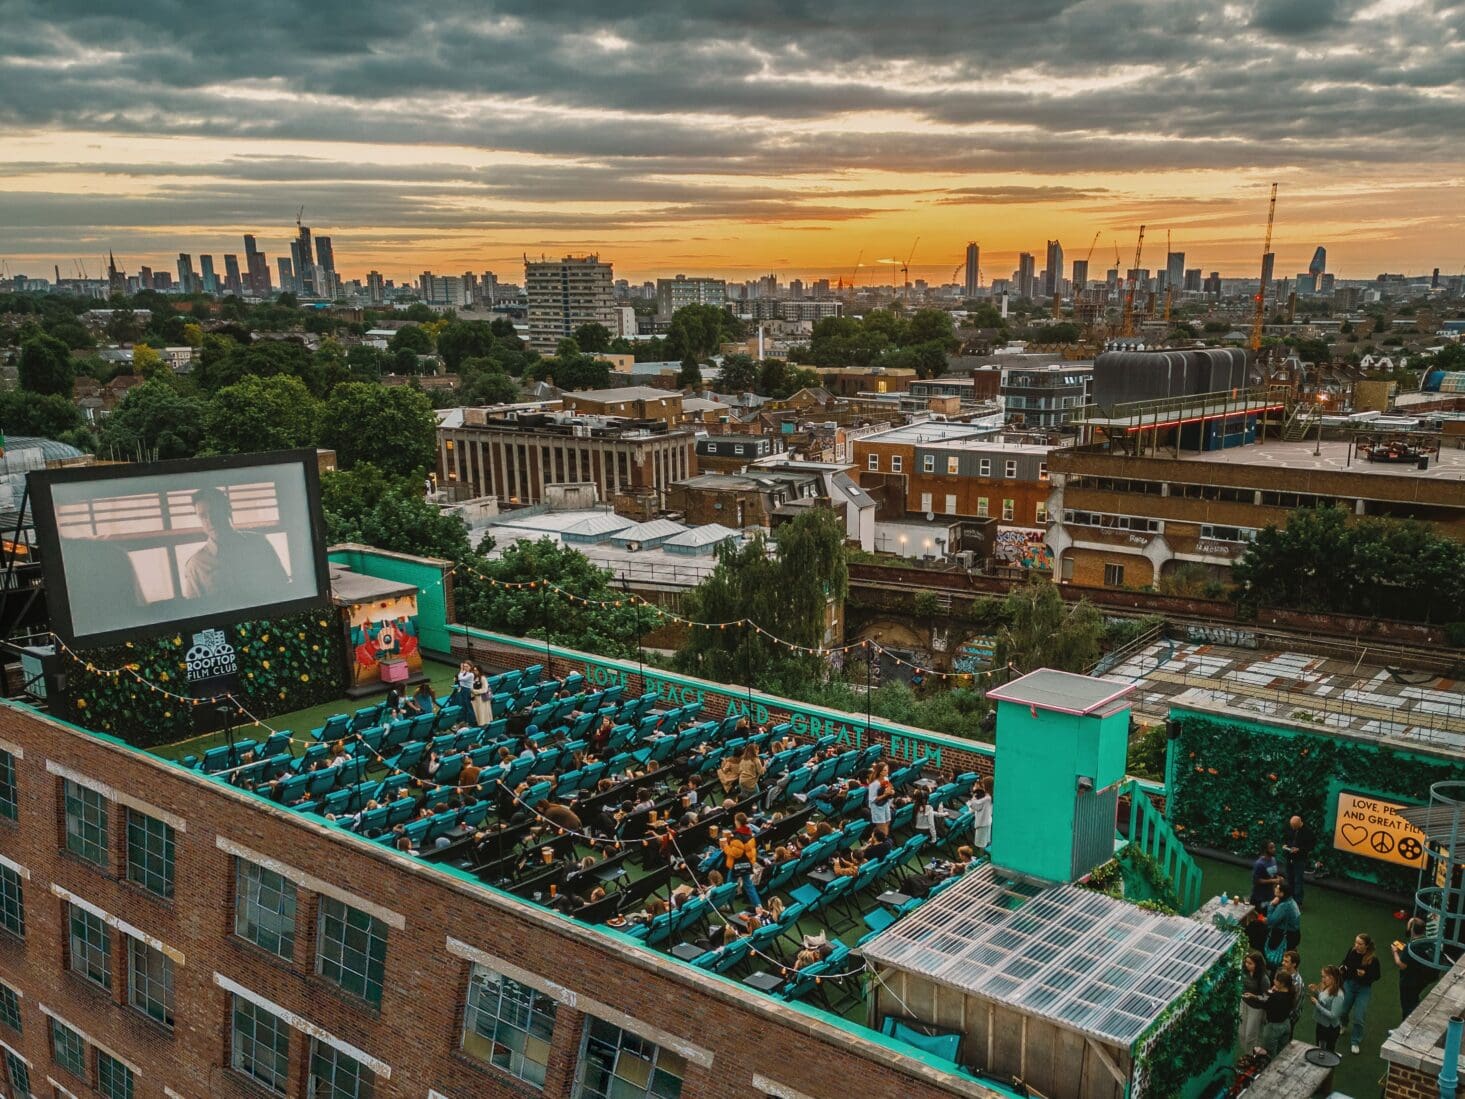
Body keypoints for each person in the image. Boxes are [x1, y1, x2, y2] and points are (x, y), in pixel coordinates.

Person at [181, 487, 290, 604]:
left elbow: (282, 586)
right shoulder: (195, 565)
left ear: (228, 509)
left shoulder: (259, 544)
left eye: (214, 512)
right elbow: (197, 608)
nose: (210, 521)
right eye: (203, 516)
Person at [1339, 932, 1382, 1055]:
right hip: (1350, 984)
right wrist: (1342, 968)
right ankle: (1343, 1024)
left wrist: (1365, 975)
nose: (1356, 945)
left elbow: (1377, 976)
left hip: (1363, 988)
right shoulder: (1352, 951)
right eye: (1356, 942)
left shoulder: (1372, 959)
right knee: (1343, 1010)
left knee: (1359, 1016)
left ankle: (1355, 1041)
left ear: (1366, 946)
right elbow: (1345, 963)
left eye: (1360, 944)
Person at [1394, 917, 1436, 1020]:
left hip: (1409, 981)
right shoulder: (1428, 942)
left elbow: (1401, 964)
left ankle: (1406, 1025)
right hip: (1423, 979)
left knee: (1407, 1006)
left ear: (1412, 930)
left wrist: (1395, 952)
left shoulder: (1411, 947)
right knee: (1413, 1000)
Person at [1248, 971, 1297, 1057]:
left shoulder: (1274, 996)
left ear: (1282, 984)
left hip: (1273, 1028)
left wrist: (1269, 991)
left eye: (1275, 980)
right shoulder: (1291, 993)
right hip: (1286, 1024)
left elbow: (1263, 1002)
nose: (1273, 981)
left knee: (1269, 1054)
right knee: (1282, 1052)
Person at [720, 813, 761, 908]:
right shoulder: (749, 833)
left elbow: (735, 853)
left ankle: (728, 905)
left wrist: (725, 846)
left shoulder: (737, 836)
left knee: (730, 886)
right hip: (747, 863)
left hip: (736, 865)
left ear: (737, 822)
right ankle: (758, 906)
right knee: (749, 886)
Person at [1262, 883, 1302, 968]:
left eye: (1277, 888)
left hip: (1286, 936)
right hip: (1295, 934)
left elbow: (1271, 921)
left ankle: (1270, 966)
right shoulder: (1291, 901)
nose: (1275, 889)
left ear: (1282, 893)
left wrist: (1271, 905)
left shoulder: (1284, 906)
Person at [1309, 965, 1346, 1053]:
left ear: (1332, 978)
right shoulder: (1327, 987)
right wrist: (1316, 992)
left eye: (1324, 977)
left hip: (1330, 1029)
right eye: (1322, 976)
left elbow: (1333, 1015)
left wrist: (1317, 1004)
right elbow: (1324, 1000)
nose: (1322, 979)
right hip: (1322, 1024)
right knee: (1319, 1049)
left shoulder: (1339, 995)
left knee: (1327, 1053)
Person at [1282, 815, 1315, 905]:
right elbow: (1287, 839)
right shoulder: (1290, 828)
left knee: (1298, 880)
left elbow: (1310, 846)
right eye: (1292, 826)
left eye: (1294, 826)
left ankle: (1298, 902)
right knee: (1289, 878)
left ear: (1299, 823)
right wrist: (1286, 845)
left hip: (1300, 859)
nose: (1292, 828)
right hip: (1289, 857)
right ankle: (1289, 897)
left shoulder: (1308, 832)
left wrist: (1299, 849)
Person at [1239, 950, 1269, 1052]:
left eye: (1250, 963)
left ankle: (1251, 1056)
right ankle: (1247, 1054)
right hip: (1244, 1003)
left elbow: (1266, 998)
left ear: (1257, 965)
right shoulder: (1245, 971)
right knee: (1241, 1033)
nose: (1247, 965)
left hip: (1256, 1009)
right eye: (1246, 962)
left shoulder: (1264, 979)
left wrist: (1254, 996)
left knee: (1250, 1036)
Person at [1250, 841, 1283, 909]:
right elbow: (1256, 880)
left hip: (1270, 895)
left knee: (1268, 914)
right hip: (1259, 897)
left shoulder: (1273, 860)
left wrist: (1278, 878)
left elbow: (1273, 874)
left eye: (1274, 847)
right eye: (1271, 848)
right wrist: (1272, 881)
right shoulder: (1259, 864)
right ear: (1265, 850)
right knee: (1259, 915)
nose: (1274, 849)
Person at [868, 764, 894, 839]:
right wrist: (885, 795)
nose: (887, 771)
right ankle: (883, 841)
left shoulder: (886, 779)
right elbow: (872, 799)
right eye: (885, 770)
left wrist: (892, 791)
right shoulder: (874, 784)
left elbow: (890, 787)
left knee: (887, 823)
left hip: (885, 804)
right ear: (880, 772)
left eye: (887, 769)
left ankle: (877, 840)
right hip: (877, 807)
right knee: (882, 828)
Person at [970, 782, 993, 852]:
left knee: (981, 843)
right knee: (986, 840)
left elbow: (974, 805)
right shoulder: (989, 796)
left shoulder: (986, 798)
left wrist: (974, 794)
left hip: (982, 823)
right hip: (987, 821)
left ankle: (982, 855)